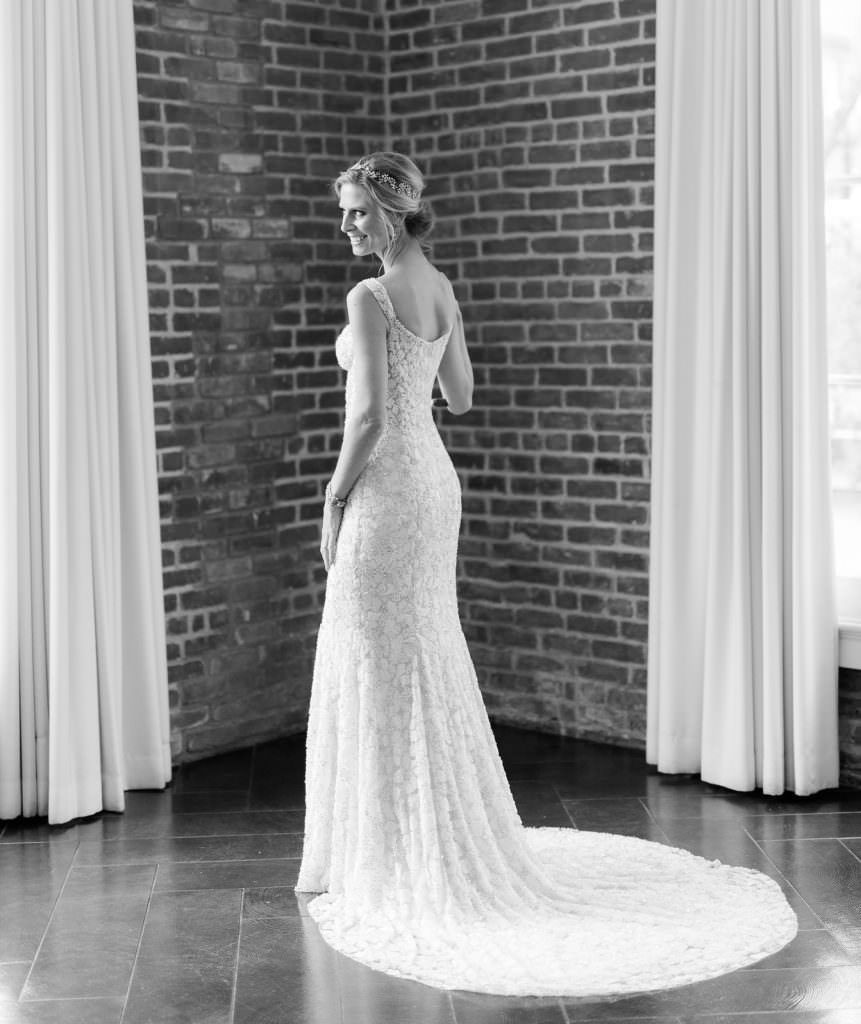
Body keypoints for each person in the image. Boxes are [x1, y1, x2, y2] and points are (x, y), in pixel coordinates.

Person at [295, 152, 797, 997]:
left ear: (390, 213)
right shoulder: (440, 285)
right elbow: (459, 396)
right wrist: (421, 364)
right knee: (419, 649)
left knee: (375, 656)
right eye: (344, 213)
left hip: (385, 489)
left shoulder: (367, 296)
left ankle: (382, 850)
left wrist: (332, 497)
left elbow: (372, 415)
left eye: (354, 213)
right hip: (434, 482)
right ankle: (419, 834)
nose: (344, 226)